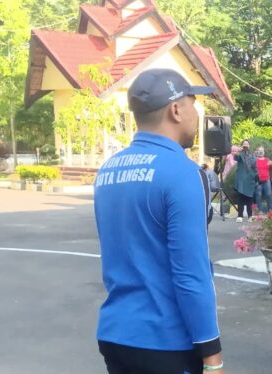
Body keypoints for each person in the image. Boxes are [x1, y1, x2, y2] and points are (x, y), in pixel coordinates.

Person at [93, 69, 223, 373]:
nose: (196, 115)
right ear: (176, 110)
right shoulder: (183, 173)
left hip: (116, 333)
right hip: (165, 341)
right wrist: (212, 356)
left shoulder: (108, 170)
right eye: (193, 104)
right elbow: (191, 273)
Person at [234, 139, 257, 222]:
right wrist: (239, 150)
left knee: (249, 199)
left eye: (247, 144)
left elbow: (255, 167)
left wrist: (255, 176)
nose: (246, 145)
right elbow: (235, 157)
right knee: (240, 198)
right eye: (244, 144)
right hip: (241, 179)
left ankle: (250, 215)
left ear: (249, 146)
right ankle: (240, 215)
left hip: (250, 180)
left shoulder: (253, 155)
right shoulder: (240, 154)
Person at [254, 146, 272, 213]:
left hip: (266, 180)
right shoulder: (254, 160)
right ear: (257, 152)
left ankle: (270, 210)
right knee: (258, 195)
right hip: (258, 180)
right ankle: (260, 210)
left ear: (264, 152)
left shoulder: (267, 160)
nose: (261, 152)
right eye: (259, 151)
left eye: (262, 151)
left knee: (268, 194)